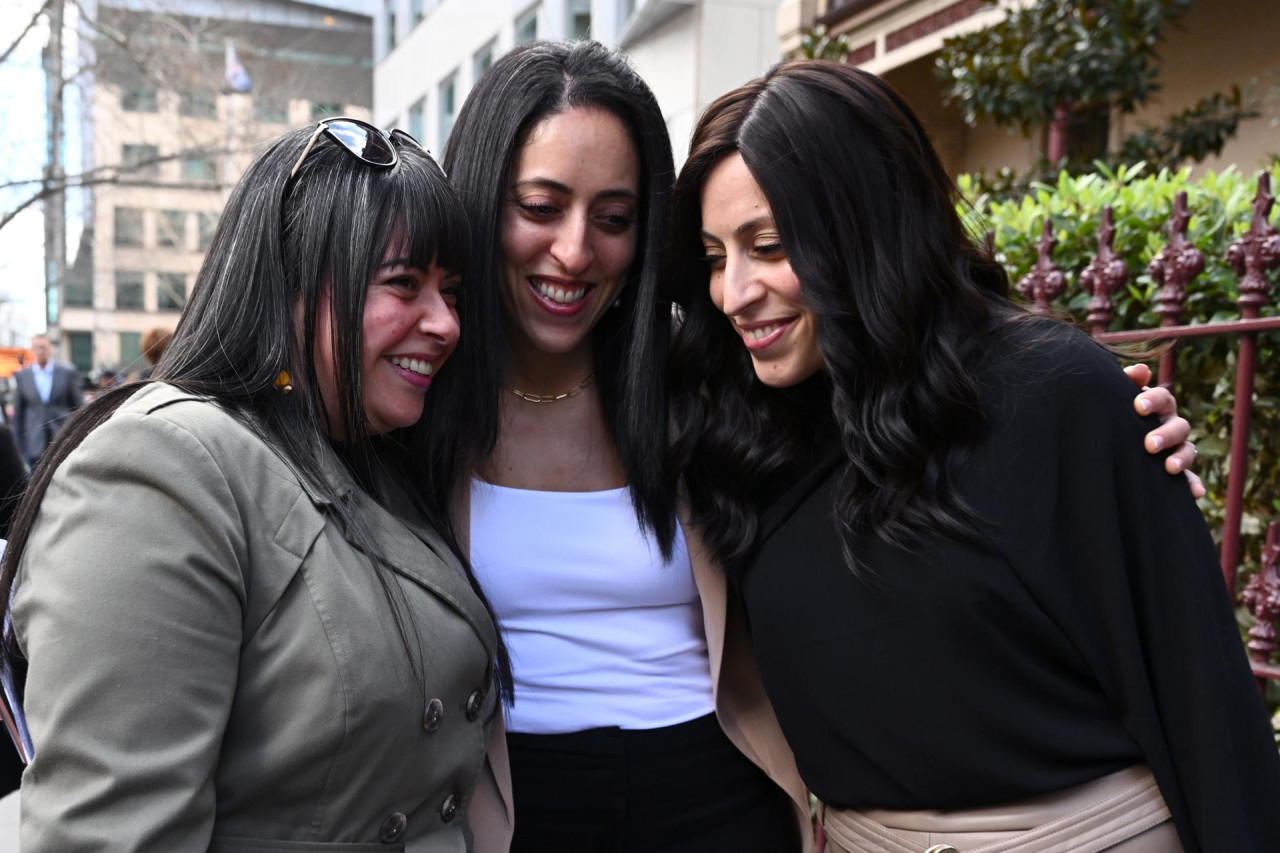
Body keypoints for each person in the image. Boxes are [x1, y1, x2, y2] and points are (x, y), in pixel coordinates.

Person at [427, 41, 1198, 853]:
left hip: (719, 801)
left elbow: (906, 391)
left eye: (615, 218)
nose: (576, 251)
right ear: (482, 199)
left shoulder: (704, 380)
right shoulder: (418, 403)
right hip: (510, 810)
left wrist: (1115, 420)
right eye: (540, 207)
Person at [667, 60, 1280, 852]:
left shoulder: (1051, 392)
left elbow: (1200, 694)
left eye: (771, 246)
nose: (734, 292)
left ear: (866, 227)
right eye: (716, 257)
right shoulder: (740, 432)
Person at [0, 118, 510, 851]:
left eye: (451, 292)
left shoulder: (373, 454)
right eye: (404, 283)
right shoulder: (161, 467)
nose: (445, 324)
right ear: (290, 283)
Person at [11, 334, 82, 467]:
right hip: (34, 442)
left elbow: (78, 406)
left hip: (62, 439)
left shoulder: (66, 372)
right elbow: (19, 413)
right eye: (37, 348)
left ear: (50, 349)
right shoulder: (23, 376)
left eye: (43, 347)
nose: (40, 351)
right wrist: (19, 443)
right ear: (32, 350)